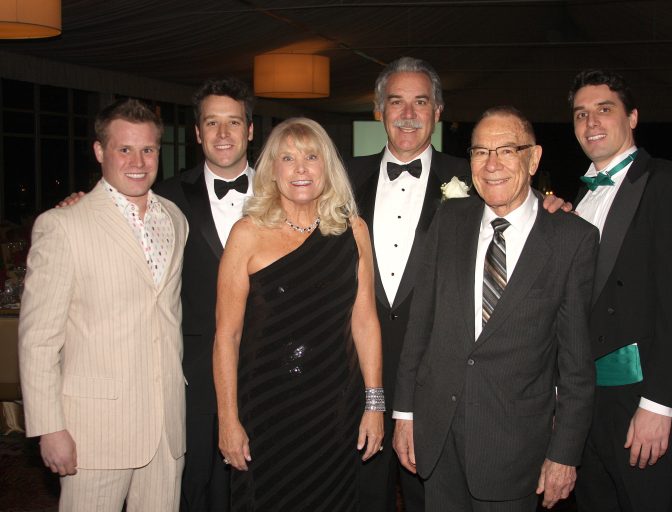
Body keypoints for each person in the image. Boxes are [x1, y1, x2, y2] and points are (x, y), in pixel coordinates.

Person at [349, 56, 569, 512]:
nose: (408, 113)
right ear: (378, 111)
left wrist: (554, 209)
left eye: (421, 101)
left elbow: (523, 216)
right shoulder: (343, 179)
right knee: (361, 498)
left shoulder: (477, 175)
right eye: (396, 102)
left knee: (433, 497)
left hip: (442, 387)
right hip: (355, 376)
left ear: (438, 111)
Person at [393, 106, 598, 511]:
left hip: (515, 447)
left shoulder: (571, 239)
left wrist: (565, 454)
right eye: (480, 152)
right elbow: (421, 326)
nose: (492, 165)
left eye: (506, 150)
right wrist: (404, 413)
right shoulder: (448, 220)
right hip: (438, 436)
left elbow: (576, 363)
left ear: (533, 158)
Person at [18, 98, 188, 511]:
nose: (138, 161)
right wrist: (49, 428)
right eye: (123, 149)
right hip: (94, 430)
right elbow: (38, 340)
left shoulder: (175, 218)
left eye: (147, 149)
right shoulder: (63, 225)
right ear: (99, 151)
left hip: (166, 429)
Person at [213, 117, 385, 511]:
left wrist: (374, 405)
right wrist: (228, 418)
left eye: (312, 157)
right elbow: (227, 336)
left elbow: (365, 322)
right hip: (266, 410)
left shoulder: (354, 230)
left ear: (328, 167)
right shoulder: (247, 234)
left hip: (335, 411)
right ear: (272, 169)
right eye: (288, 158)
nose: (301, 168)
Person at [568, 69, 672, 512]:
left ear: (632, 117)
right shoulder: (580, 196)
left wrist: (660, 405)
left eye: (604, 110)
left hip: (639, 397)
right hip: (585, 401)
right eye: (581, 114)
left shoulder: (670, 183)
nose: (591, 123)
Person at [153, 77, 254, 512]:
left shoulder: (286, 191)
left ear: (251, 130)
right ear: (197, 132)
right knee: (199, 486)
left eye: (234, 122)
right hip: (194, 369)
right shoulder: (165, 196)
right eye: (212, 123)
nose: (224, 134)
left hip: (267, 362)